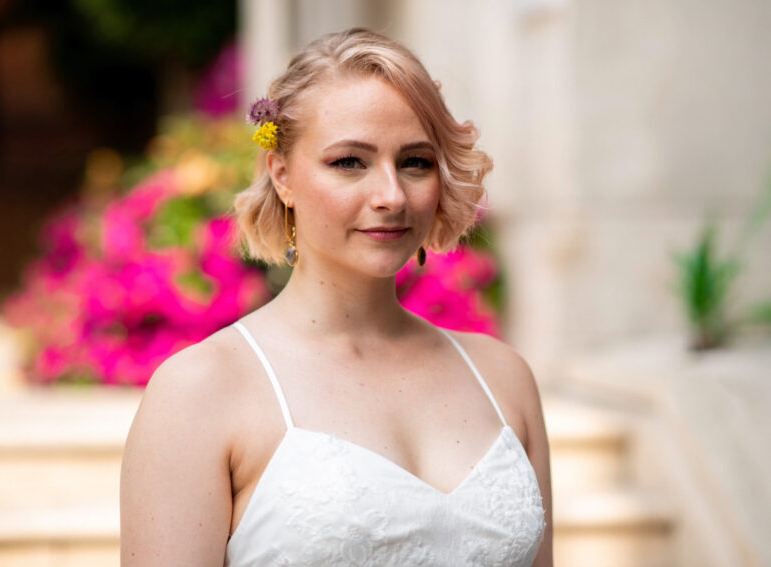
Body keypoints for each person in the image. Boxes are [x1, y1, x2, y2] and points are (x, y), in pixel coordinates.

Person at [120, 27, 553, 566]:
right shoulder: (201, 391)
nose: (391, 196)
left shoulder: (503, 378)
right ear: (282, 176)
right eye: (350, 162)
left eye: (415, 162)